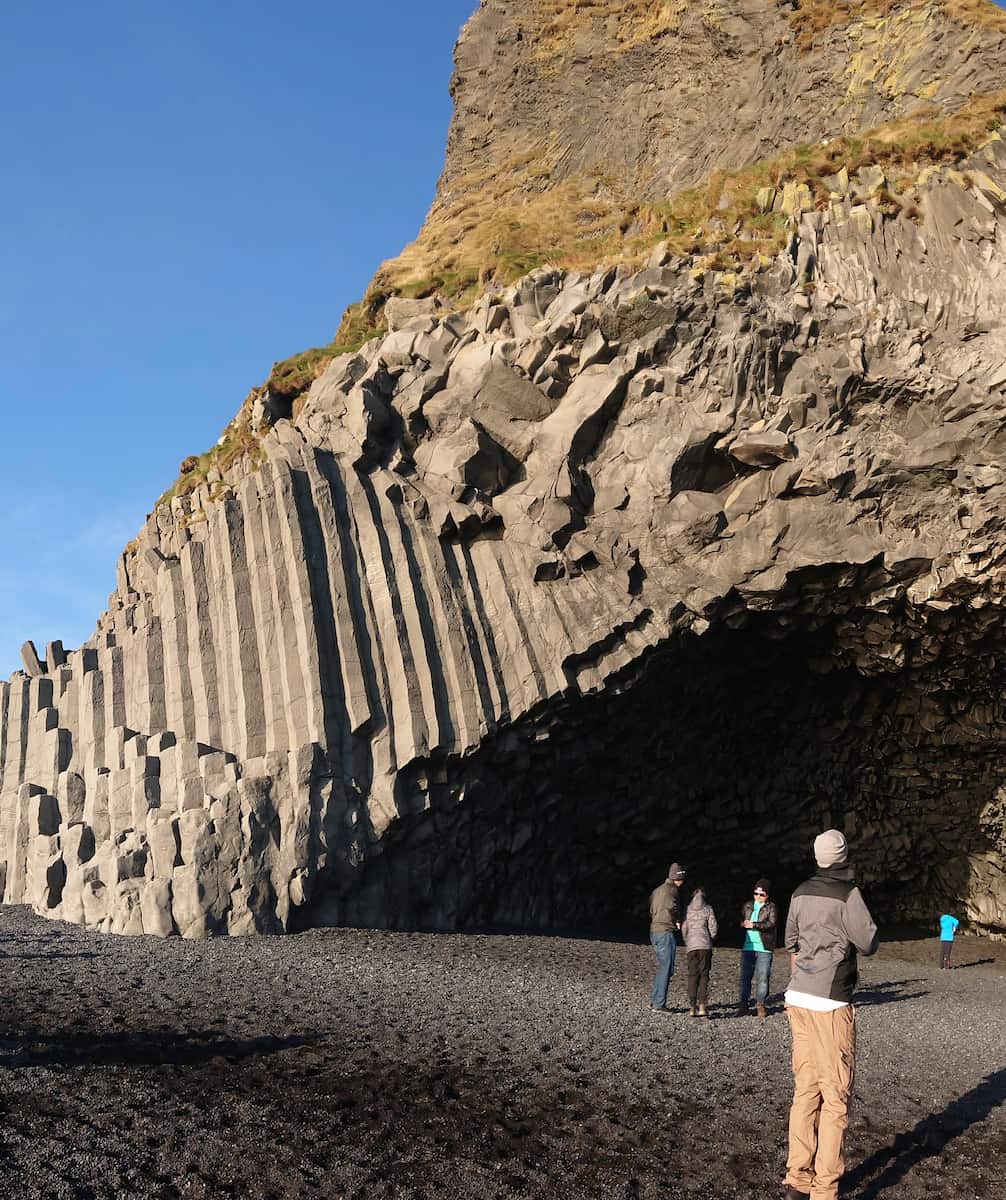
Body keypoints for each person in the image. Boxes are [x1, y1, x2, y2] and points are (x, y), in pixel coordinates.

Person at [783, 829, 878, 1200]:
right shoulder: (848, 894)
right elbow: (868, 941)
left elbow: (790, 939)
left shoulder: (799, 892)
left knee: (806, 1090)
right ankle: (824, 1190)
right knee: (836, 1097)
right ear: (842, 856)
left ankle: (796, 1178)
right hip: (831, 1002)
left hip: (798, 998)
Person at [649, 863, 686, 1013]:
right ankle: (659, 1004)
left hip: (654, 931)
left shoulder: (657, 890)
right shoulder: (673, 891)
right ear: (679, 877)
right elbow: (672, 907)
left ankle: (654, 1000)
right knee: (667, 968)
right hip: (665, 931)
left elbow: (651, 909)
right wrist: (677, 920)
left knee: (663, 967)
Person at [739, 877, 777, 1018]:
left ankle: (761, 1004)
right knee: (745, 977)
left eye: (762, 894)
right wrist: (744, 924)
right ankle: (743, 1004)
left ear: (767, 895)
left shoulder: (771, 907)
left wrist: (754, 925)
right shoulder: (748, 905)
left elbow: (771, 923)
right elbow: (741, 920)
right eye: (756, 893)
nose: (758, 897)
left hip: (764, 947)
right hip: (748, 946)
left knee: (763, 977)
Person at [681, 884, 718, 1017]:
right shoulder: (708, 908)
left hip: (692, 946)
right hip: (705, 946)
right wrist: (710, 939)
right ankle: (702, 1006)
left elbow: (684, 928)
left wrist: (687, 941)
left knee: (692, 976)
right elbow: (713, 927)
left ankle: (692, 1007)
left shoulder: (688, 909)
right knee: (704, 976)